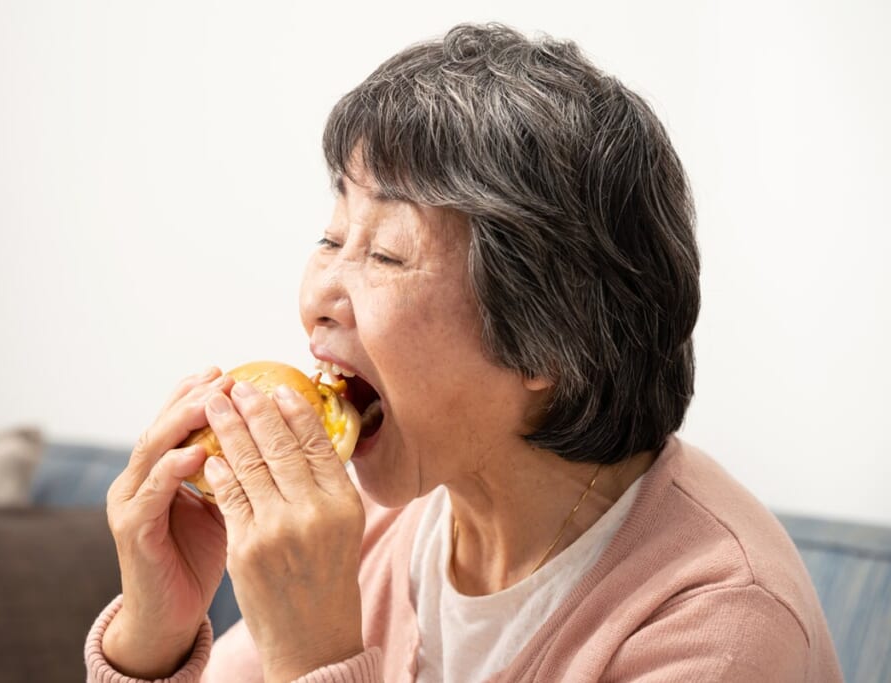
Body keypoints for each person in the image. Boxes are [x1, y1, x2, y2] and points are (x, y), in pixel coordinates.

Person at [85, 23, 841, 682]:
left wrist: (317, 653)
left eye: (385, 254)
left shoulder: (722, 624)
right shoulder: (391, 526)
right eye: (330, 237)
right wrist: (156, 634)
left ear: (548, 332)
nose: (318, 295)